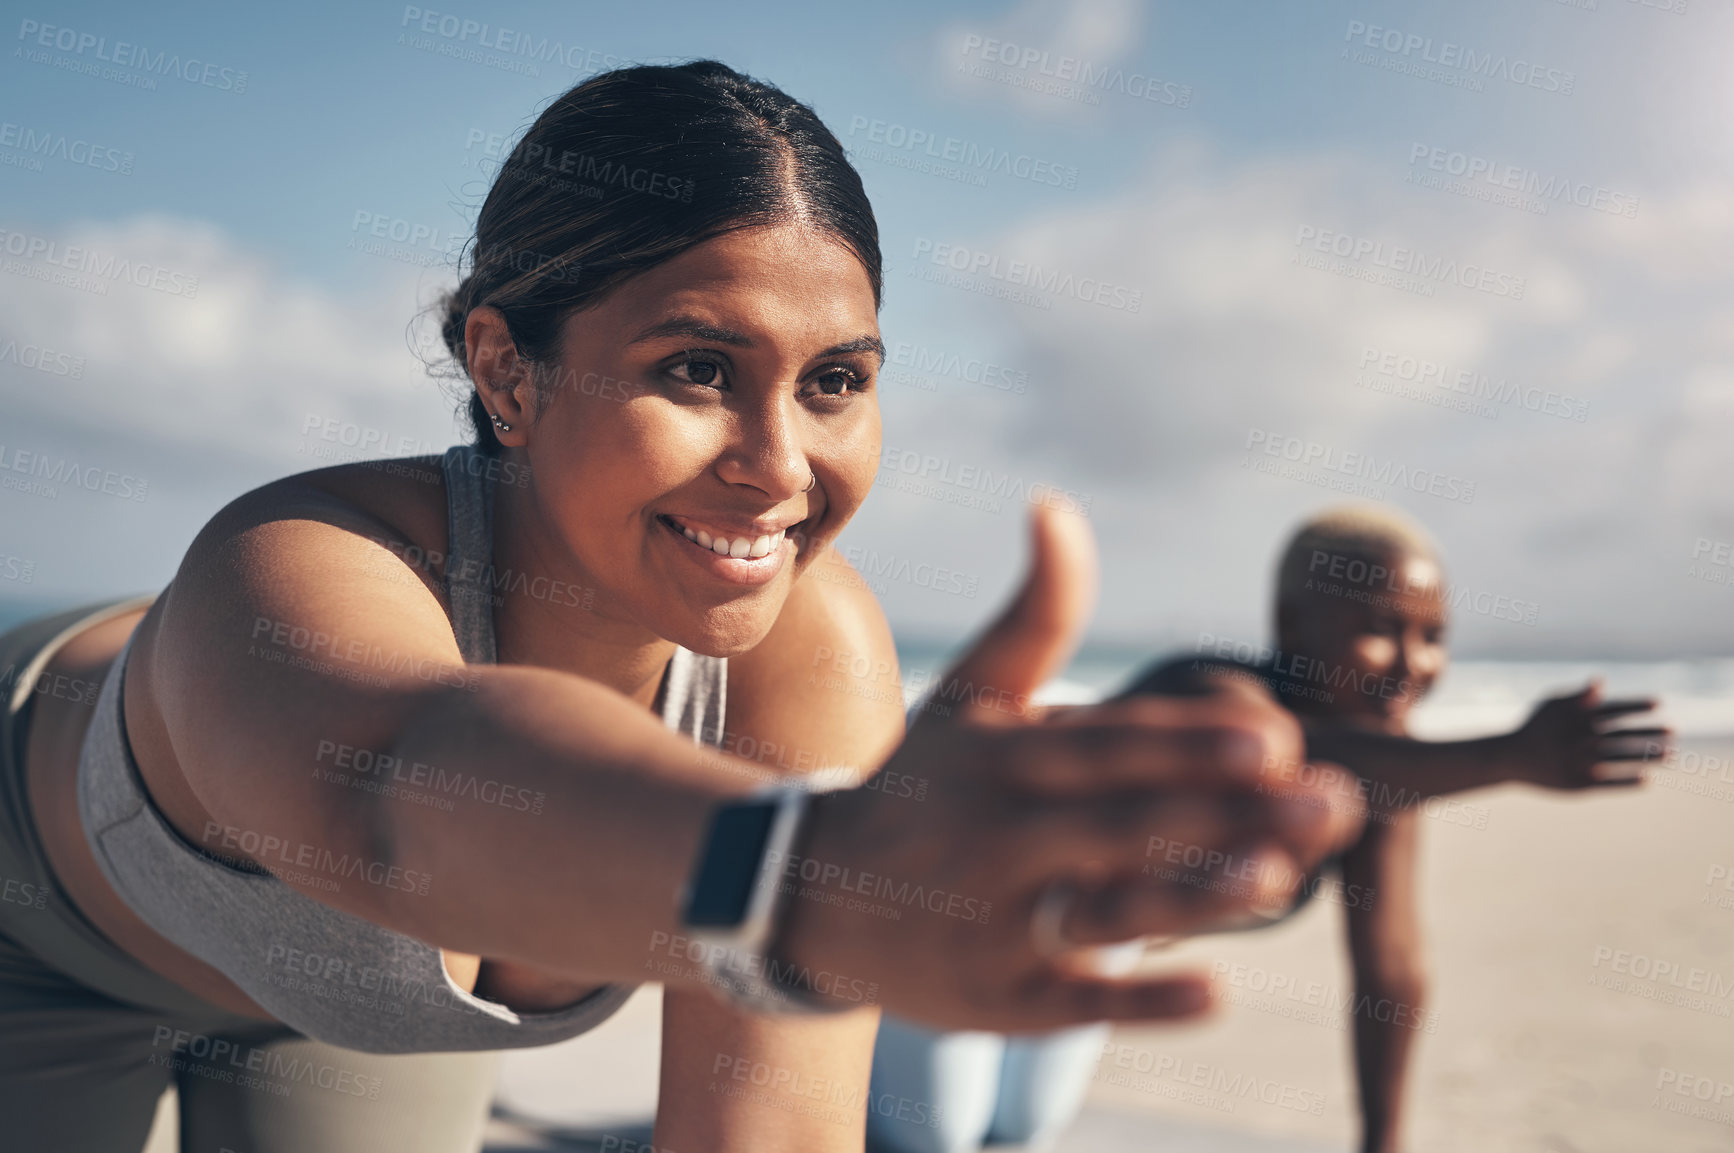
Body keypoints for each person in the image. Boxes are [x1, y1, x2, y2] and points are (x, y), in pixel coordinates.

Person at [0, 61, 1360, 1152]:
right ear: (506, 369)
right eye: (698, 367)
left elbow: (759, 1127)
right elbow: (394, 796)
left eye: (833, 381)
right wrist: (802, 886)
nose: (777, 467)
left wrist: (820, 892)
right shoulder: (294, 560)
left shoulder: (810, 654)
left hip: (331, 1023)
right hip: (28, 929)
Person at [1118, 505, 1669, 1153]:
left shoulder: (1389, 772)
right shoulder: (1208, 695)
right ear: (1291, 625)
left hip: (1076, 956)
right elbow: (1302, 758)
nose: (1412, 663)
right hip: (981, 922)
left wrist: (1384, 1142)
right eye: (1381, 628)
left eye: (1433, 636)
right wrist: (1508, 755)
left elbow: (1391, 968)